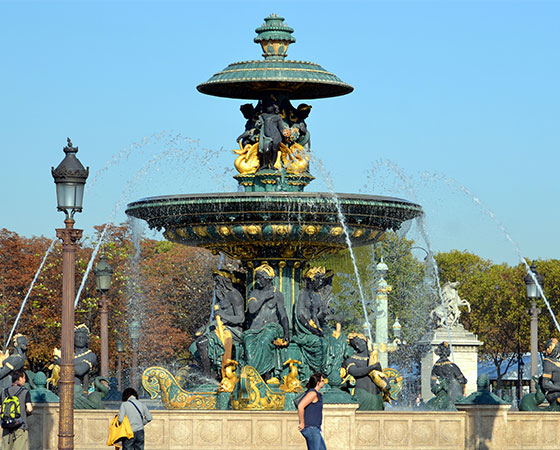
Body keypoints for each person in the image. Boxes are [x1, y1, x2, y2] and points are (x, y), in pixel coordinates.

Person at [1, 369, 33, 450]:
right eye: (24, 378)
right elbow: (29, 408)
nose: (25, 380)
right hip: (20, 426)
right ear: (20, 378)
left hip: (6, 426)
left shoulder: (4, 392)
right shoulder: (25, 392)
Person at [297, 373, 327, 450]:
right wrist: (302, 423)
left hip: (315, 429)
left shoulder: (316, 394)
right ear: (318, 383)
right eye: (322, 381)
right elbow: (300, 406)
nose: (324, 382)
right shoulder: (312, 393)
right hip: (311, 428)